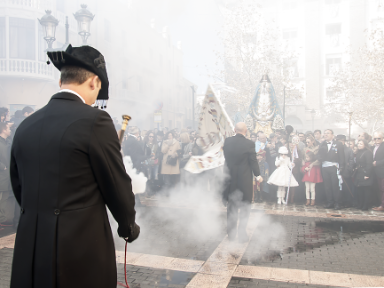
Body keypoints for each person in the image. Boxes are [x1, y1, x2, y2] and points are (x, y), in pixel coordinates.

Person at [9, 45, 140, 288]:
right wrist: (128, 225)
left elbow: (19, 186)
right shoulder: (96, 121)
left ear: (61, 80)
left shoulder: (26, 125)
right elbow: (115, 182)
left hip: (30, 247)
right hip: (77, 249)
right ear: (94, 82)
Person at [223, 122, 262, 242]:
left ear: (235, 130)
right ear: (246, 131)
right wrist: (258, 175)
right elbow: (253, 161)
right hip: (244, 180)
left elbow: (226, 157)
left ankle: (231, 234)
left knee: (231, 207)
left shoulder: (227, 141)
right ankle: (241, 233)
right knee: (245, 206)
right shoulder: (249, 144)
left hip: (230, 179)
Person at [318, 129, 345, 209]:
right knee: (327, 186)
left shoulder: (338, 144)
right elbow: (319, 154)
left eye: (328, 133)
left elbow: (341, 156)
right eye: (325, 133)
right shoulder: (322, 144)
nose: (326, 135)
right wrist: (320, 158)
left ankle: (337, 203)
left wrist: (342, 167)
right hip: (325, 167)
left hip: (334, 166)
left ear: (332, 135)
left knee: (335, 185)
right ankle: (330, 202)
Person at [0, 122, 14, 226]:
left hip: (6, 176)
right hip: (1, 174)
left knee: (4, 199)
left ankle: (2, 219)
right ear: (4, 130)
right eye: (8, 129)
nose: (10, 130)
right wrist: (2, 166)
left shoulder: (7, 142)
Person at [354, 139, 374, 210]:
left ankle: (365, 205)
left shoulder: (368, 152)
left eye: (361, 144)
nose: (359, 145)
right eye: (358, 143)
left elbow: (369, 164)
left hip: (365, 172)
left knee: (366, 190)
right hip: (359, 173)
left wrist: (367, 174)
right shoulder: (359, 152)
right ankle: (360, 204)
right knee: (360, 190)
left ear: (365, 145)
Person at [336, 135, 355, 208]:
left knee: (346, 188)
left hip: (346, 172)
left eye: (340, 141)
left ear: (343, 141)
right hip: (337, 170)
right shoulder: (335, 149)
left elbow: (351, 160)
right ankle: (339, 201)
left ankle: (348, 202)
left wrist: (348, 169)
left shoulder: (348, 150)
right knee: (338, 188)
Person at [372, 132, 384, 211]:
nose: (377, 140)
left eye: (378, 138)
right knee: (379, 188)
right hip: (376, 172)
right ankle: (381, 204)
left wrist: (377, 163)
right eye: (375, 138)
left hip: (382, 170)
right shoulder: (373, 147)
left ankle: (382, 206)